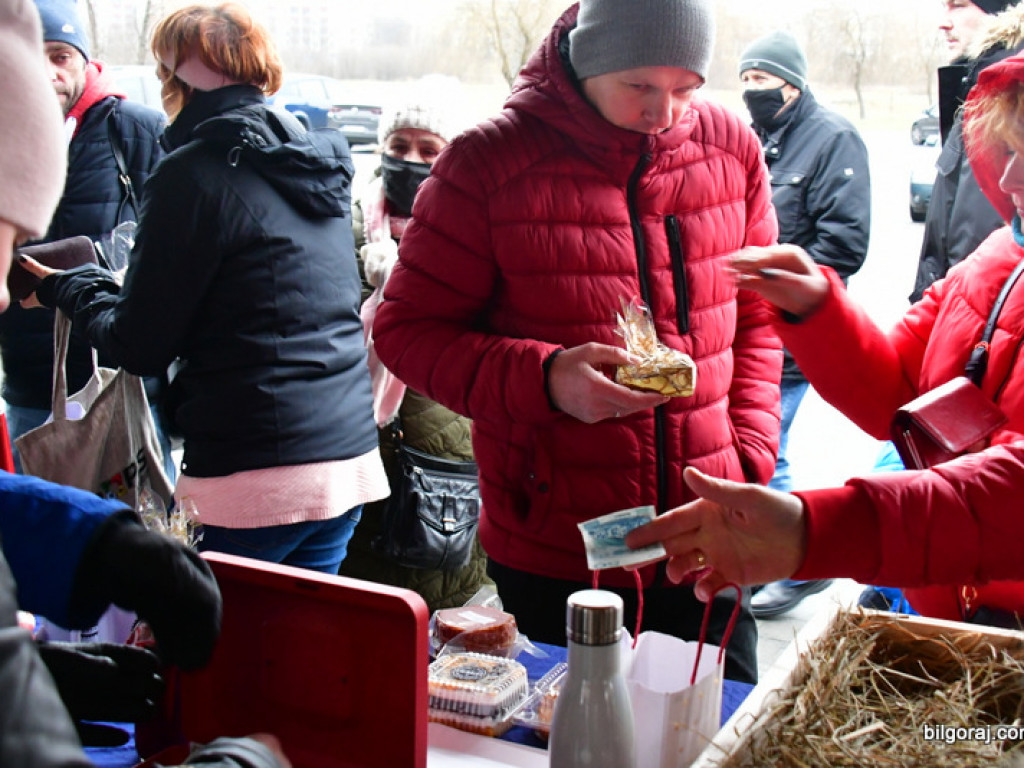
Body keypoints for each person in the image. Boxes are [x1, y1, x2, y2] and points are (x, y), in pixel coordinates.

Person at [373, 0, 782, 684]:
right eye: (639, 87)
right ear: (585, 64)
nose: (665, 113)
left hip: (708, 528)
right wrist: (546, 379)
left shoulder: (730, 147)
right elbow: (405, 331)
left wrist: (751, 451)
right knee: (573, 730)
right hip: (557, 544)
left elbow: (760, 313)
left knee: (720, 724)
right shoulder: (488, 163)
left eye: (685, 89)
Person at [663, 46, 1024, 629]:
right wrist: (817, 312)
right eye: (1007, 151)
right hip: (945, 598)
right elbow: (903, 400)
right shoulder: (1000, 260)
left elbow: (1011, 496)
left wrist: (815, 531)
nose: (1009, 178)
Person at [22, 2, 388, 576]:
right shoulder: (313, 160)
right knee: (298, 653)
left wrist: (73, 287)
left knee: (206, 653)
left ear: (175, 82)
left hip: (254, 477)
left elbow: (138, 344)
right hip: (347, 464)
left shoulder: (191, 171)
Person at [0, 0, 176, 479]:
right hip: (31, 384)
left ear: (83, 61)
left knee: (151, 538)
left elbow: (174, 246)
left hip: (122, 386)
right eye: (31, 55)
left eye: (60, 56)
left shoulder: (134, 129)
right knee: (41, 537)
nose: (47, 70)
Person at [737, 30, 871, 618]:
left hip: (790, 331)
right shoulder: (754, 139)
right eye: (744, 81)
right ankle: (768, 555)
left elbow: (845, 241)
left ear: (791, 83)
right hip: (744, 329)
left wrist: (784, 291)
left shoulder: (834, 139)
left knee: (770, 448)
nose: (751, 92)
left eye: (761, 81)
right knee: (758, 443)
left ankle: (796, 561)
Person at [338, 102, 493, 611]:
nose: (412, 160)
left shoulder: (476, 230)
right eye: (399, 147)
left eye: (429, 150)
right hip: (356, 447)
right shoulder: (348, 228)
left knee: (438, 610)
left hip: (445, 457)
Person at [909, 0, 1022, 303]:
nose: (944, 23)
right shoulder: (976, 91)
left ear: (1000, 12)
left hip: (977, 317)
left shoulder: (1007, 97)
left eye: (958, 6)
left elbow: (978, 237)